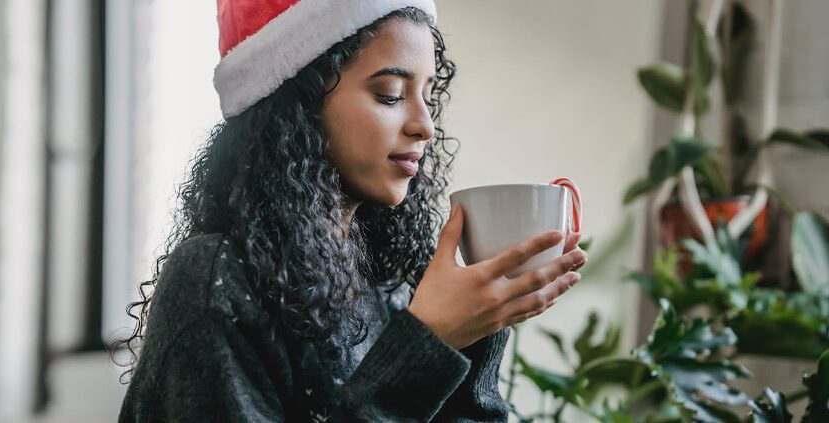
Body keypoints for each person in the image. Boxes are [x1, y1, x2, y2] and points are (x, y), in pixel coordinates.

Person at [115, 1, 588, 421]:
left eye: (429, 95)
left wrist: (481, 329)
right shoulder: (215, 280)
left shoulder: (386, 283)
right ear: (298, 104)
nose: (424, 126)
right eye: (389, 94)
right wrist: (428, 344)